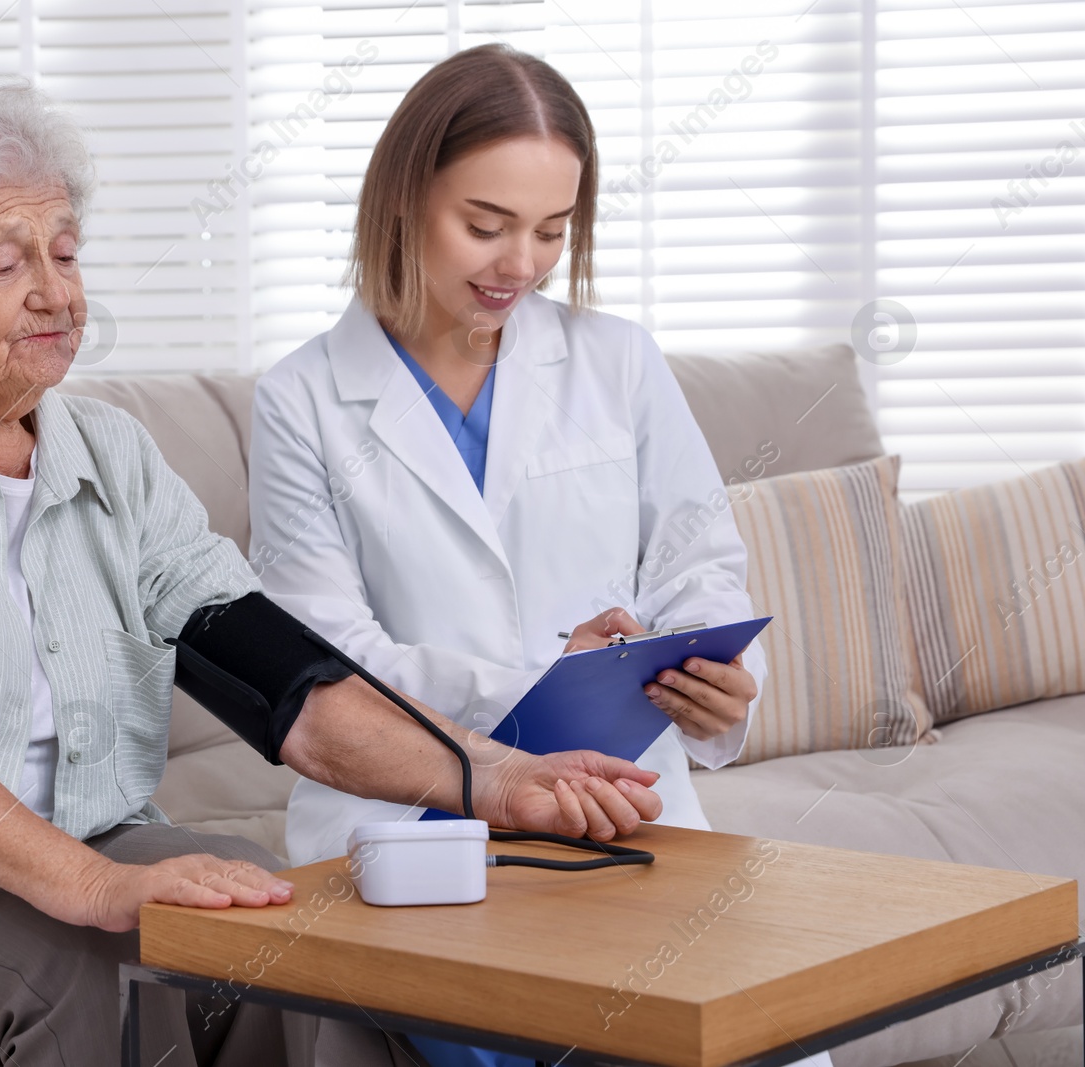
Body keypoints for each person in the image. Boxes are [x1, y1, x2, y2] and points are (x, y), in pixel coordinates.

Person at [0, 76, 664, 1067]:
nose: (56, 293)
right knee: (86, 983)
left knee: (282, 942)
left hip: (42, 842)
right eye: (8, 262)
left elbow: (272, 670)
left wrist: (484, 770)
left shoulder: (107, 452)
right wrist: (102, 886)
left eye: (67, 250)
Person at [249, 45, 827, 1067]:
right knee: (538, 1026)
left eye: (550, 231)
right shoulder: (300, 398)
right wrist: (543, 676)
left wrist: (717, 674)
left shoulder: (618, 361)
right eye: (485, 224)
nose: (519, 262)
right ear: (400, 198)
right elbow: (325, 652)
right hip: (421, 810)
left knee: (762, 1031)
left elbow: (699, 556)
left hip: (620, 798)